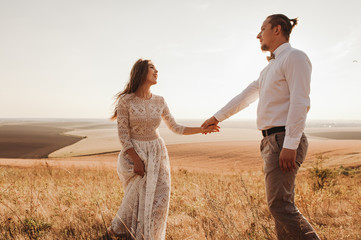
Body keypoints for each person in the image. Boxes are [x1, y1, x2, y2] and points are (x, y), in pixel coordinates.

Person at [202, 14, 320, 239]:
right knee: (280, 211)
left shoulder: (294, 57)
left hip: (283, 139)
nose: (258, 35)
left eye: (262, 29)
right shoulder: (268, 69)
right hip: (270, 141)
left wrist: (290, 144)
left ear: (277, 30)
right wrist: (217, 117)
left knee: (279, 206)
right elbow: (245, 96)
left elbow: (300, 101)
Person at [108, 59, 219, 240]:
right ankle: (120, 233)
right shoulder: (125, 101)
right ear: (141, 71)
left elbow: (176, 128)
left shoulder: (160, 101)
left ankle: (151, 236)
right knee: (135, 199)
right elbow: (123, 135)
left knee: (161, 198)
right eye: (152, 67)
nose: (157, 70)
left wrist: (202, 129)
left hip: (157, 153)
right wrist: (136, 160)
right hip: (135, 154)